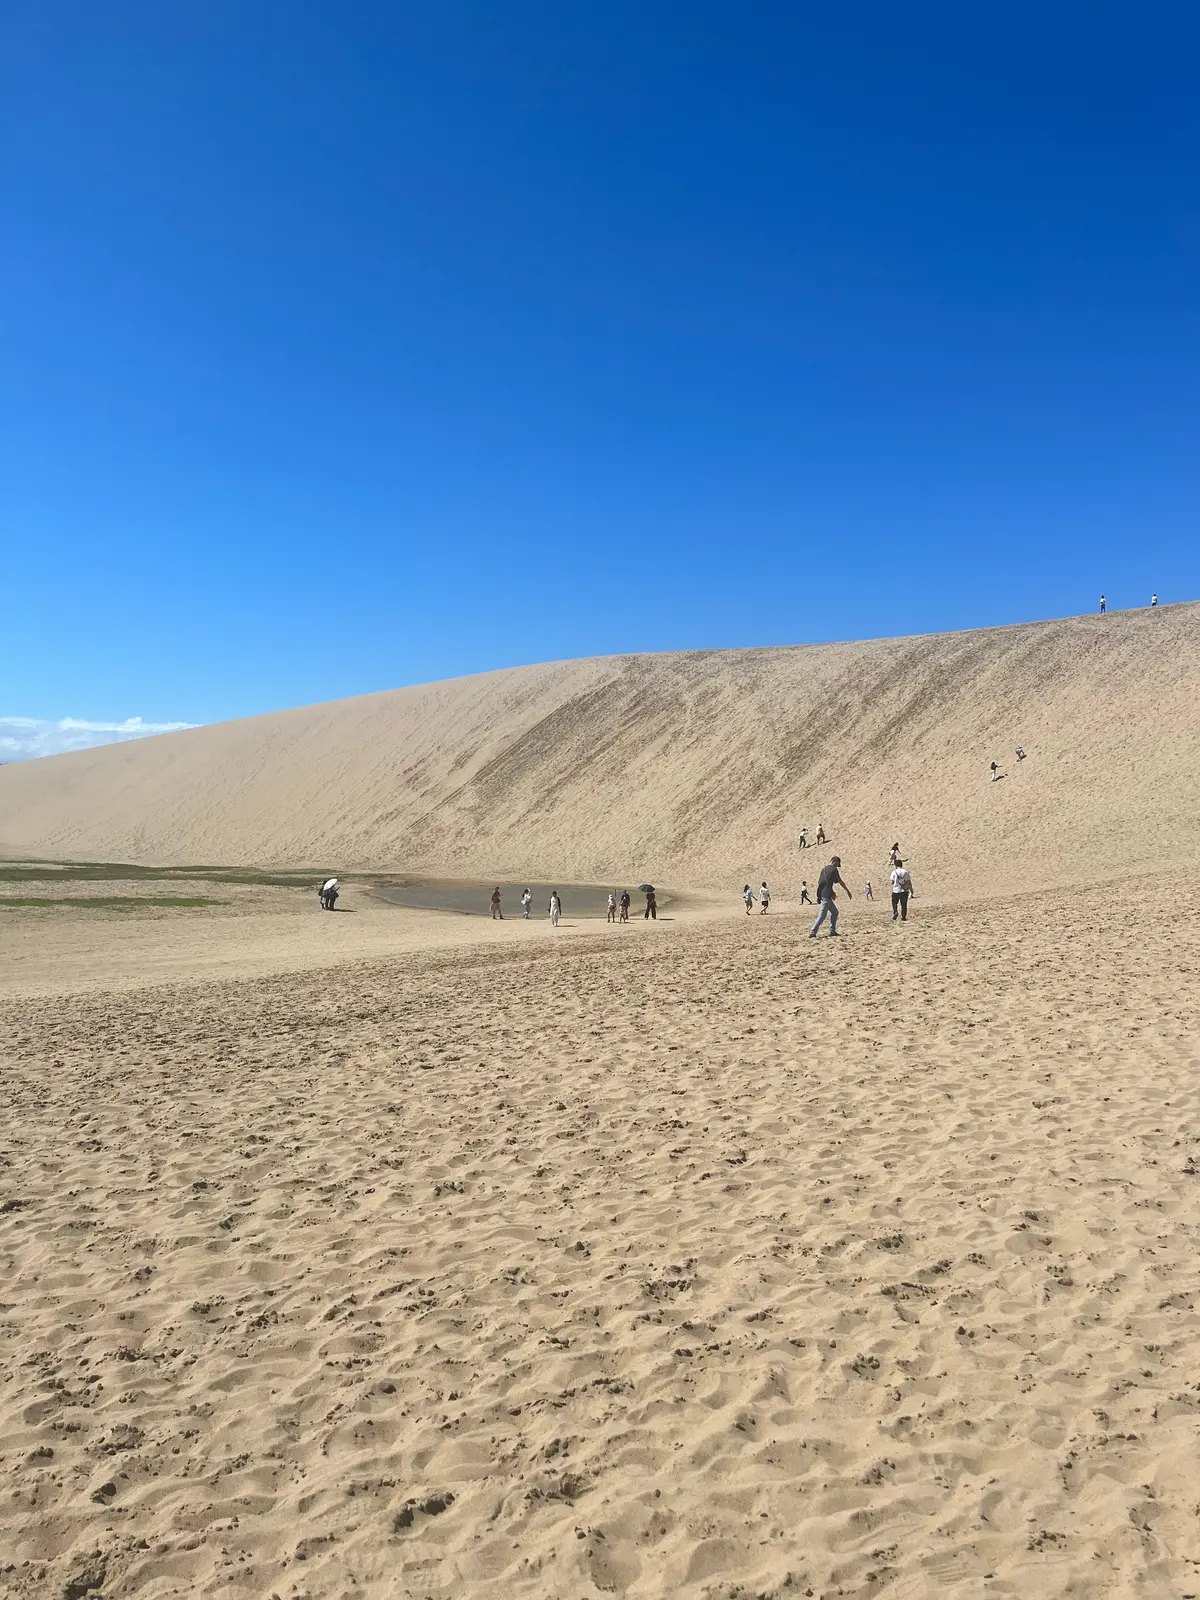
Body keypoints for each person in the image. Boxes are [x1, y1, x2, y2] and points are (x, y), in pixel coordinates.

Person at [809, 856, 850, 938]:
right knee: (822, 916)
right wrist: (847, 890)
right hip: (826, 896)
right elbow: (840, 881)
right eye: (838, 863)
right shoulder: (834, 870)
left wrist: (819, 895)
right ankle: (813, 932)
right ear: (835, 862)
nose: (838, 865)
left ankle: (832, 930)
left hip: (823, 894)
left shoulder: (824, 869)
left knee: (835, 912)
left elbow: (821, 883)